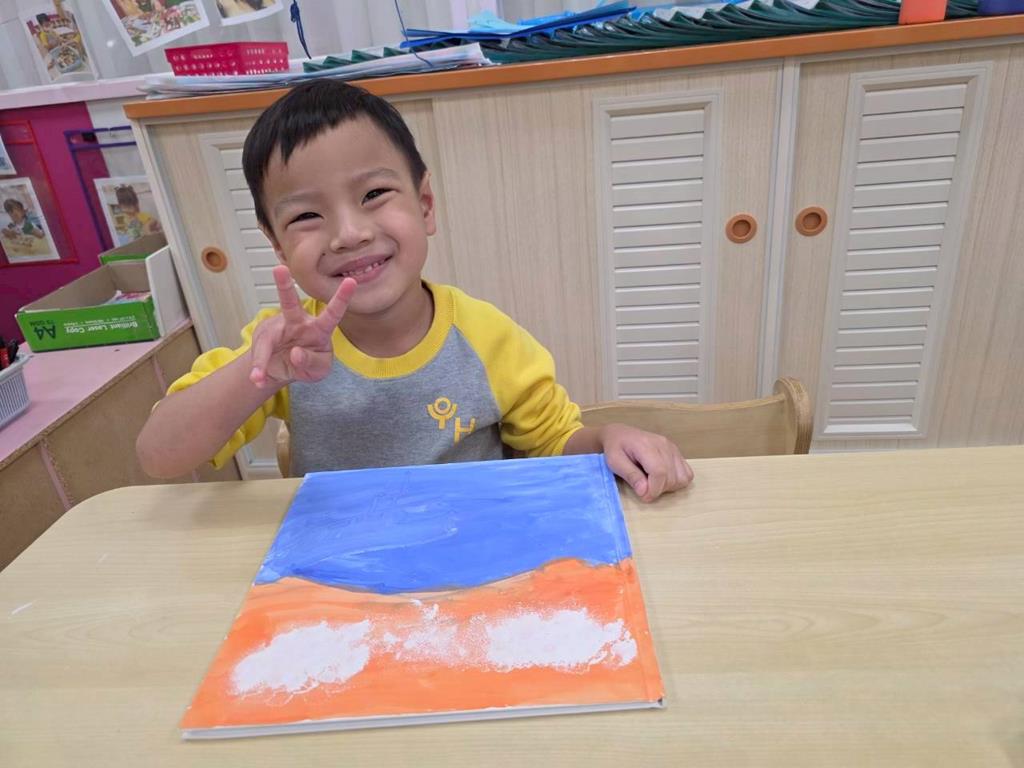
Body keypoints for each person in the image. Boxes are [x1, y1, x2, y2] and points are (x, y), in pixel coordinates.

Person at [136, 81, 693, 501]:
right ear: (277, 245)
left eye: (373, 194)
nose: (349, 233)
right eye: (306, 215)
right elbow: (160, 456)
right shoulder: (282, 346)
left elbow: (554, 442)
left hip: (473, 559)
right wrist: (258, 377)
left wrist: (608, 438)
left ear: (424, 204)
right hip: (342, 575)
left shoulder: (486, 337)